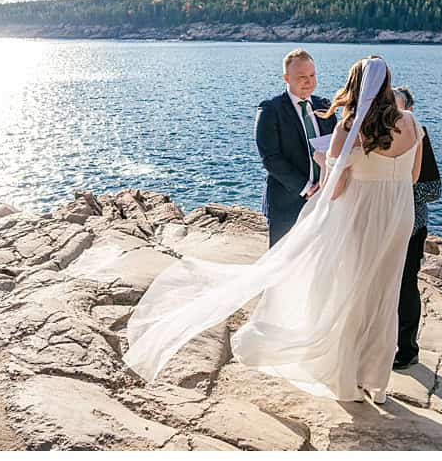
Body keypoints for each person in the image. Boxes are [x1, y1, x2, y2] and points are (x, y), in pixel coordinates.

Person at [124, 56, 423, 404]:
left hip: (361, 220)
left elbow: (336, 188)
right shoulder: (412, 122)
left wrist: (326, 164)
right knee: (384, 295)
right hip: (398, 218)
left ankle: (348, 380)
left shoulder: (349, 126)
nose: (310, 80)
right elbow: (413, 177)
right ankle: (377, 382)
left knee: (351, 294)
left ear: (355, 84)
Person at [253, 49, 336, 247]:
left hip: (323, 200)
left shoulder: (325, 106)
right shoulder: (270, 109)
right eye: (302, 77)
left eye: (312, 75)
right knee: (281, 266)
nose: (309, 81)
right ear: (286, 78)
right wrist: (307, 189)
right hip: (287, 202)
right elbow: (270, 158)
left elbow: (336, 147)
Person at [391, 86, 442, 369]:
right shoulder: (379, 133)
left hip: (411, 225)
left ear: (409, 111)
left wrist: (395, 190)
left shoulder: (420, 136)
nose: (393, 116)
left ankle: (407, 349)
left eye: (398, 109)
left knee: (405, 285)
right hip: (381, 222)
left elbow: (434, 189)